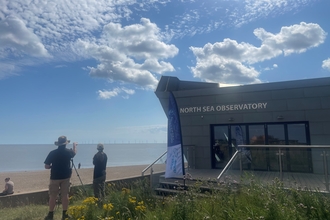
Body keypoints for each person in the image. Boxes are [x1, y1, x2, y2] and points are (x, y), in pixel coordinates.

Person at [44, 136, 77, 220]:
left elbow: (46, 166)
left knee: (53, 196)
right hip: (66, 176)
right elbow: (74, 153)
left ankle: (50, 214)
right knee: (65, 195)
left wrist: (52, 166)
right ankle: (64, 214)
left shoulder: (52, 153)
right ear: (66, 144)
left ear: (58, 144)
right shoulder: (68, 152)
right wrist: (74, 145)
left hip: (55, 177)